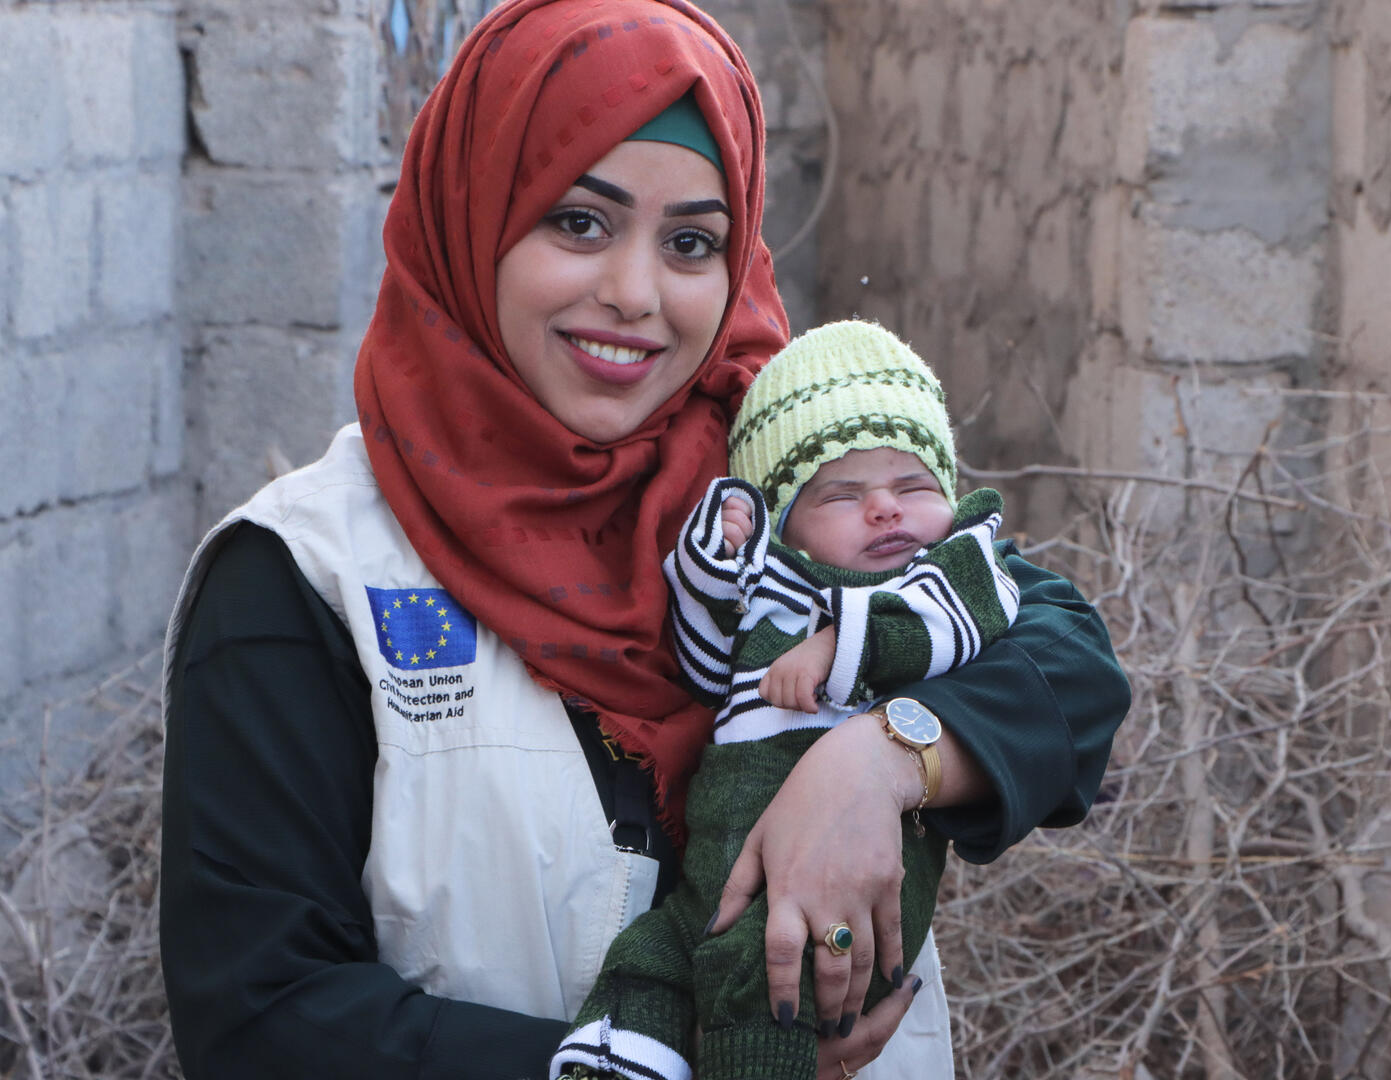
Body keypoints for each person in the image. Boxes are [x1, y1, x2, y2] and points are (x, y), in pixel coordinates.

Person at [157, 2, 1131, 1079]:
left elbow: (1068, 662)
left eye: (690, 243)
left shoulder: (778, 495)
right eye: (579, 221)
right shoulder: (308, 576)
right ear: (471, 217)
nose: (633, 294)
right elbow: (260, 1020)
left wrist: (886, 759)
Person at [556, 320, 1022, 1080]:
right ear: (788, 526)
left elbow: (954, 621)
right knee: (657, 953)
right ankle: (614, 1057)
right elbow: (705, 667)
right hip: (719, 857)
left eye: (914, 485)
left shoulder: (951, 566)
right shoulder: (775, 587)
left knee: (768, 967)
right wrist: (718, 557)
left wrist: (842, 644)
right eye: (843, 493)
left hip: (852, 877)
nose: (886, 509)